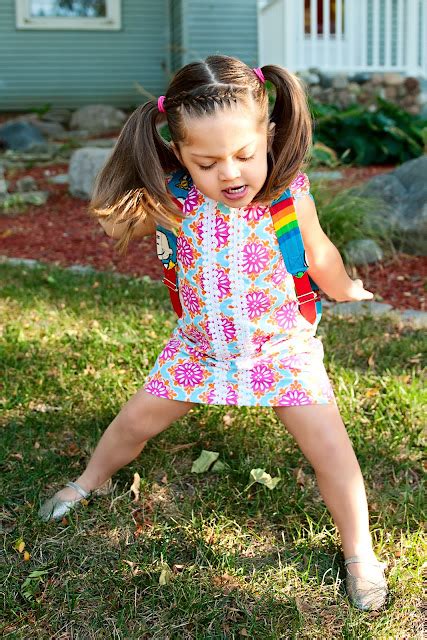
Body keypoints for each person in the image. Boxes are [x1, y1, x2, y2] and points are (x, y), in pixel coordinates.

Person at [38, 55, 387, 611]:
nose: (230, 174)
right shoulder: (173, 194)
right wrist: (125, 207)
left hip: (281, 351)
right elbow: (118, 217)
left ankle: (359, 552)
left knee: (332, 454)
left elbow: (318, 252)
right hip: (200, 351)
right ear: (179, 154)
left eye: (245, 155)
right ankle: (92, 480)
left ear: (268, 136)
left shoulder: (286, 194)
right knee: (133, 423)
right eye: (207, 161)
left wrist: (342, 287)